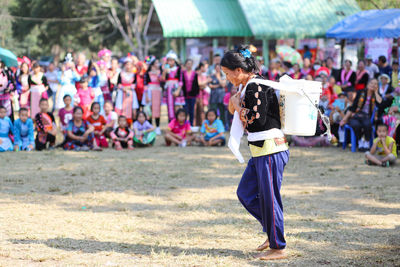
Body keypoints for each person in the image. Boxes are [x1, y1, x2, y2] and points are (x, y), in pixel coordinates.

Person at [222, 45, 289, 260]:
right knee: (246, 193)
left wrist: (237, 107)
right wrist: (235, 104)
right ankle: (272, 231)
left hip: (270, 149)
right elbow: (237, 110)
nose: (227, 78)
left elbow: (257, 120)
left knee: (270, 199)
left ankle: (278, 246)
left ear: (238, 70)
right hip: (261, 150)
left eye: (226, 73)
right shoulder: (249, 86)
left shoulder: (255, 86)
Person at [340, 79, 379, 151]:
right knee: (355, 125)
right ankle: (360, 141)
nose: (373, 85)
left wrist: (376, 92)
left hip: (367, 116)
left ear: (377, 86)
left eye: (375, 84)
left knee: (367, 124)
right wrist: (344, 119)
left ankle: (366, 142)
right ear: (367, 84)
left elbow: (380, 102)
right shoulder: (360, 92)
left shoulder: (376, 95)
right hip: (356, 115)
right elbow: (353, 107)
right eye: (371, 83)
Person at [115, 59, 139, 125]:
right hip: (122, 93)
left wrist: (129, 87)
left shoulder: (134, 74)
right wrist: (123, 88)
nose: (128, 66)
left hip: (131, 93)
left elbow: (135, 84)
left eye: (130, 64)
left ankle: (131, 125)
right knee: (121, 109)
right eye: (127, 64)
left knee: (133, 110)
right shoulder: (121, 74)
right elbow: (118, 84)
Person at [162, 51, 184, 121]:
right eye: (168, 60)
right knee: (169, 106)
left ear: (174, 61)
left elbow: (181, 80)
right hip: (168, 89)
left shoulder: (179, 69)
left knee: (177, 106)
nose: (169, 62)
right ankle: (171, 122)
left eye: (171, 60)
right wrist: (164, 71)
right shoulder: (166, 69)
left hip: (176, 88)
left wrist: (178, 90)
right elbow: (163, 79)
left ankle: (178, 121)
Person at [144, 58, 162, 134]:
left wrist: (158, 74)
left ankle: (157, 127)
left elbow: (162, 80)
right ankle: (150, 127)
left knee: (157, 109)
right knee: (149, 110)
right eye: (156, 63)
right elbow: (145, 85)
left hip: (157, 92)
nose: (158, 64)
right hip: (150, 92)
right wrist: (146, 96)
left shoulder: (160, 73)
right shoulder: (147, 74)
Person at [181, 59, 200, 126]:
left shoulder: (195, 74)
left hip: (193, 95)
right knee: (185, 110)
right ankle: (185, 125)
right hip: (185, 95)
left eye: (190, 64)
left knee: (192, 111)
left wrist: (198, 96)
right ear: (185, 64)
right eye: (188, 64)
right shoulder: (182, 73)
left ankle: (191, 125)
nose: (189, 65)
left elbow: (196, 85)